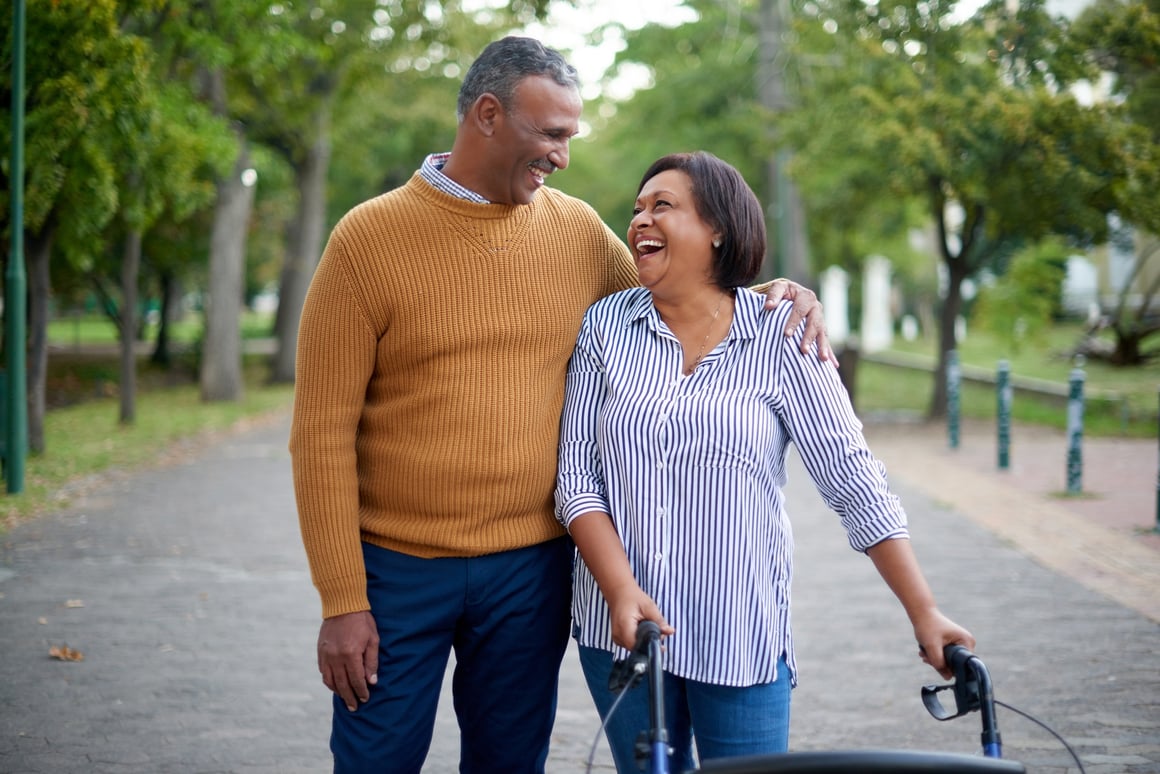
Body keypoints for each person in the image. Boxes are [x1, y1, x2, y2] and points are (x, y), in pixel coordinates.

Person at [289, 37, 830, 774]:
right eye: (551, 135)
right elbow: (320, 436)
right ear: (487, 115)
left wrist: (775, 296)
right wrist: (341, 600)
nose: (562, 157)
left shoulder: (575, 232)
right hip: (396, 572)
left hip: (530, 573)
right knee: (375, 761)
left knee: (511, 764)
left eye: (570, 137)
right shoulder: (366, 240)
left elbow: (676, 290)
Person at [554, 150, 975, 773]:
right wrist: (620, 591)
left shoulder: (784, 332)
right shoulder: (605, 326)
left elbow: (852, 478)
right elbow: (576, 477)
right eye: (637, 208)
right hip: (619, 630)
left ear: (718, 228)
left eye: (662, 206)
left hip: (738, 631)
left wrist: (924, 612)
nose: (640, 220)